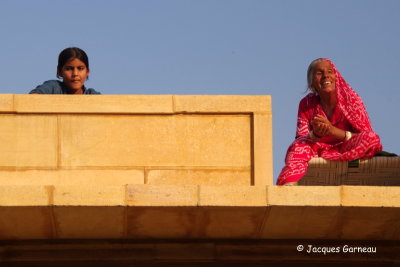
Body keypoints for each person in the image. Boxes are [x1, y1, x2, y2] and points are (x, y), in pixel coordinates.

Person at [277, 58, 382, 185]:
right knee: (297, 147)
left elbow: (364, 134)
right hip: (318, 149)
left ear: (336, 77)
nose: (326, 75)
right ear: (312, 84)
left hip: (345, 148)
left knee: (372, 138)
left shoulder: (351, 101)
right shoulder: (307, 103)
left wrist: (333, 131)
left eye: (330, 71)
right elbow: (301, 138)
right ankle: (289, 185)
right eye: (319, 73)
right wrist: (316, 134)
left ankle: (338, 158)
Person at [29, 47, 101, 94]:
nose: (75, 74)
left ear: (87, 71)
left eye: (80, 68)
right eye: (69, 69)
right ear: (59, 71)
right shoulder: (54, 88)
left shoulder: (92, 95)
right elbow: (33, 98)